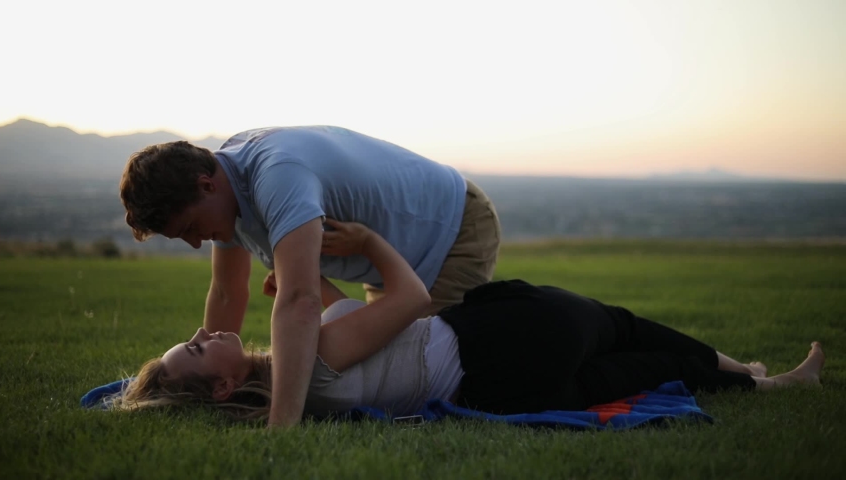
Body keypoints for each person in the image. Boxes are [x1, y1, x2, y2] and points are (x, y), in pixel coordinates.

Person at [114, 221, 826, 420]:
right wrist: (371, 245)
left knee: (640, 371)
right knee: (627, 328)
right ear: (222, 387)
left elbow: (344, 329)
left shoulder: (303, 383)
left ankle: (756, 379)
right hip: (503, 339)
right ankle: (758, 378)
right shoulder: (315, 359)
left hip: (502, 389)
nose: (202, 333)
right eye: (195, 351)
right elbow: (410, 299)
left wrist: (309, 284)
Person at [118, 126, 501, 427]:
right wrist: (213, 389)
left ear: (206, 186)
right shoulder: (224, 192)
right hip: (388, 263)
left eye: (190, 228)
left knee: (436, 371)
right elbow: (226, 293)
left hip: (449, 228)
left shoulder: (276, 177)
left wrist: (281, 425)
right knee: (377, 369)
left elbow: (300, 300)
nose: (195, 243)